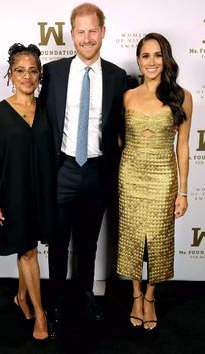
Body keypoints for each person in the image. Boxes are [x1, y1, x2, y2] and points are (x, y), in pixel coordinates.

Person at [39, 2, 127, 325]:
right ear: (72, 34)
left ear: (103, 32)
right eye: (81, 31)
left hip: (96, 171)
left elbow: (122, 124)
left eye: (93, 31)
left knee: (89, 242)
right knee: (58, 242)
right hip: (62, 170)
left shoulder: (118, 77)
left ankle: (87, 295)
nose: (87, 38)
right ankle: (57, 301)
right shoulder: (52, 72)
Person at [0, 43, 56, 340]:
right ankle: (41, 316)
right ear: (10, 74)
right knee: (28, 251)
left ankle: (21, 296)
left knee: (29, 247)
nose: (27, 76)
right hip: (14, 194)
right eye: (20, 70)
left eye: (33, 71)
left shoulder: (48, 111)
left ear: (39, 76)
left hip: (44, 191)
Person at [117, 33, 192, 330]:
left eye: (157, 55)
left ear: (166, 59)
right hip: (130, 174)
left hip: (163, 176)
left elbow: (183, 146)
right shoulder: (127, 96)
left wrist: (183, 191)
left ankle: (150, 297)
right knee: (133, 237)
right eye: (146, 55)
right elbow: (120, 139)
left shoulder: (182, 96)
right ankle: (135, 294)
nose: (152, 61)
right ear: (138, 60)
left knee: (159, 240)